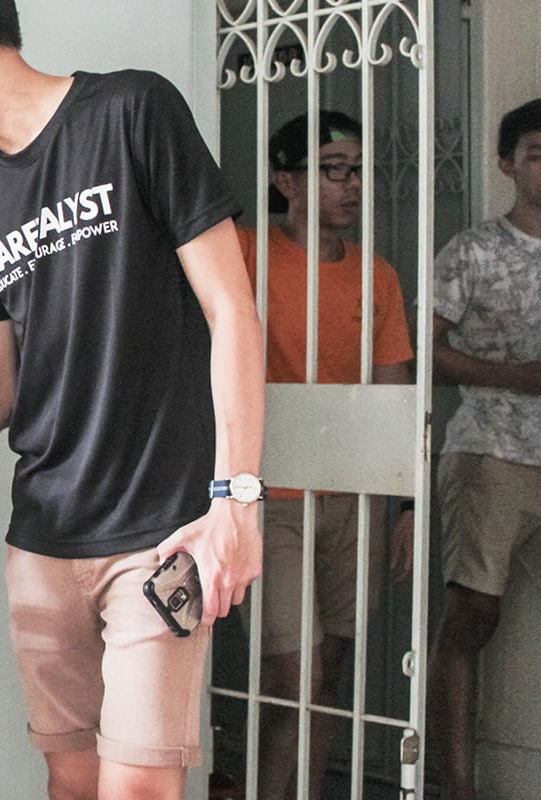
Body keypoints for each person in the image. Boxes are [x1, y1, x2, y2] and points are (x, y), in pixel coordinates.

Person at [0, 3, 266, 799]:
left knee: (138, 787)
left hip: (159, 527)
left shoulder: (134, 111)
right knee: (70, 783)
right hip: (42, 542)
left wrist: (237, 496)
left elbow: (232, 311)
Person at [238, 111, 416, 799]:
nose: (351, 184)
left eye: (358, 170)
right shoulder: (249, 254)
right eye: (332, 168)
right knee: (296, 677)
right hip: (269, 495)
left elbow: (391, 394)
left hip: (354, 496)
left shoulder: (377, 278)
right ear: (286, 180)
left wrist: (400, 503)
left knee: (330, 674)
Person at [428, 97, 541, 800]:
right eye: (537, 154)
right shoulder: (473, 249)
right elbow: (426, 354)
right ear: (508, 164)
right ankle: (458, 786)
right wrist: (517, 378)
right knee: (473, 613)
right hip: (491, 450)